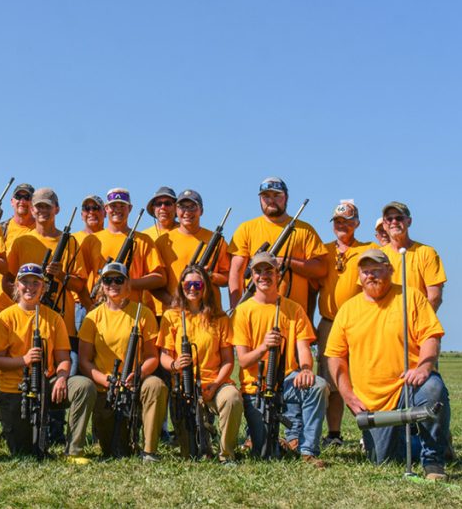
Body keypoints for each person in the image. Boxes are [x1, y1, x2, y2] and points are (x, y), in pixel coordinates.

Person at [325, 249, 451, 480]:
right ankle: (423, 439)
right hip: (372, 400)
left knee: (433, 389)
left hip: (409, 385)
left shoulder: (411, 297)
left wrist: (424, 368)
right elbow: (335, 356)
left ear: (390, 271)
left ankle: (433, 461)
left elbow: (431, 337)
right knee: (383, 460)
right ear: (359, 277)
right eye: (365, 272)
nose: (370, 276)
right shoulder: (347, 310)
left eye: (376, 270)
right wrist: (348, 395)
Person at [0, 263, 96, 459]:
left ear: (43, 287)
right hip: (15, 390)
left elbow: (64, 359)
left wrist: (62, 378)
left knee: (83, 386)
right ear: (16, 286)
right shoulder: (5, 318)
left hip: (47, 384)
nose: (30, 287)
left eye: (35, 283)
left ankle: (73, 451)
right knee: (23, 453)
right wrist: (24, 360)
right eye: (25, 282)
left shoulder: (54, 318)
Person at [233, 252, 328, 467]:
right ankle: (278, 441)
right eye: (258, 271)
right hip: (255, 388)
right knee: (265, 454)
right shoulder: (242, 312)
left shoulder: (294, 309)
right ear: (252, 277)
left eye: (269, 271)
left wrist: (305, 369)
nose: (263, 276)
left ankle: (307, 450)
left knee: (318, 386)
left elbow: (303, 348)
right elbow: (245, 360)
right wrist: (264, 347)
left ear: (278, 275)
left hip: (287, 382)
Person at [78, 262, 168, 461]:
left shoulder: (143, 313)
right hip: (106, 389)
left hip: (134, 384)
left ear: (128, 285)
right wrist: (106, 380)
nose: (113, 284)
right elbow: (84, 361)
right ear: (102, 285)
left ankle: (149, 450)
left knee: (156, 385)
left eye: (119, 280)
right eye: (108, 280)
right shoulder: (93, 317)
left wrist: (139, 374)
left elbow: (152, 356)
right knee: (112, 449)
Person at [158, 266, 242, 463]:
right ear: (181, 287)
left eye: (198, 284)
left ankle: (226, 454)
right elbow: (164, 356)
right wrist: (175, 365)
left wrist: (214, 385)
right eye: (188, 284)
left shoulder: (220, 319)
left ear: (206, 287)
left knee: (232, 399)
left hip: (215, 383)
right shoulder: (171, 317)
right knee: (190, 454)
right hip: (184, 387)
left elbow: (229, 360)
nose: (192, 288)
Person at [315, 200, 371, 447]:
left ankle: (369, 431)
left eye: (348, 221)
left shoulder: (367, 250)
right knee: (332, 380)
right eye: (338, 221)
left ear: (357, 223)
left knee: (364, 377)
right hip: (329, 322)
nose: (342, 225)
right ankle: (334, 434)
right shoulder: (322, 251)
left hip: (360, 323)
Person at [227, 177, 327, 313]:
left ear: (286, 197)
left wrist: (285, 262)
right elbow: (236, 274)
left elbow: (321, 269)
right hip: (254, 313)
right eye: (266, 196)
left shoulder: (305, 230)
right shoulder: (245, 229)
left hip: (293, 316)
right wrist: (236, 310)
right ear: (260, 199)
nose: (271, 200)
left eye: (277, 195)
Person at [5, 188, 87, 349]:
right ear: (32, 209)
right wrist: (23, 303)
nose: (43, 211)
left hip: (63, 324)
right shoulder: (21, 241)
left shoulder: (70, 243)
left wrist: (61, 275)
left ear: (57, 209)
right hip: (27, 325)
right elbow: (7, 280)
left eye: (47, 207)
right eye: (38, 206)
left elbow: (79, 285)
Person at [152, 189, 231, 318]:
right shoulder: (163, 242)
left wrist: (211, 277)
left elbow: (228, 278)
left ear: (201, 211)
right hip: (176, 316)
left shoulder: (217, 241)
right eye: (182, 207)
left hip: (209, 314)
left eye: (192, 207)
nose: (187, 212)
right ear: (176, 211)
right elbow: (156, 282)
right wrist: (174, 303)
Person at [88, 188, 165, 308]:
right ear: (106, 208)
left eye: (122, 206)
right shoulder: (92, 240)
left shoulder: (143, 240)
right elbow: (80, 280)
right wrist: (88, 306)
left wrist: (127, 283)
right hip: (100, 311)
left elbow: (159, 278)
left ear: (130, 208)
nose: (117, 210)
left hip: (133, 312)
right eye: (113, 206)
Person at [379, 202, 447, 311]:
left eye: (399, 218)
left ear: (409, 221)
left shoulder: (427, 253)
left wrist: (419, 322)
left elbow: (434, 297)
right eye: (389, 219)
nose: (394, 222)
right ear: (384, 225)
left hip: (417, 323)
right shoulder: (378, 256)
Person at [0, 183, 37, 314]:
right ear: (12, 201)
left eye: (27, 197)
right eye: (19, 196)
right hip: (1, 305)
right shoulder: (1, 229)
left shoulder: (41, 230)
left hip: (32, 305)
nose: (22, 201)